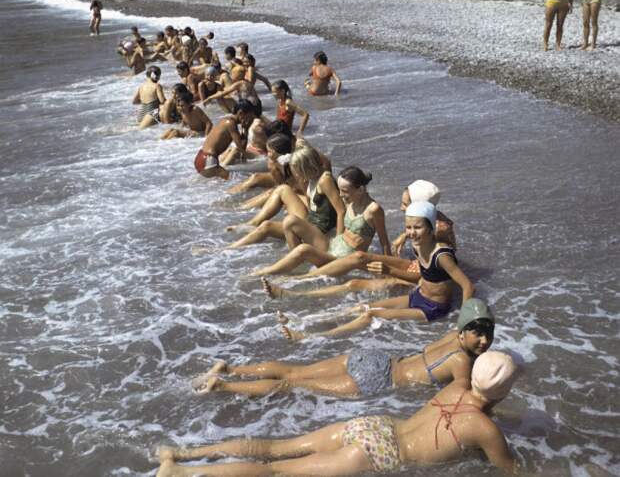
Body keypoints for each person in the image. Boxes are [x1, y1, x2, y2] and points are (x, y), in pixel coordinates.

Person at [156, 351, 520, 476]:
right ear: (506, 391)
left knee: (274, 449)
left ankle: (184, 454)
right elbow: (513, 473)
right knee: (275, 472)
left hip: (375, 424)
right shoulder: (485, 429)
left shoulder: (454, 386)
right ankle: (180, 473)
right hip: (382, 454)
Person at [191, 298, 494, 398]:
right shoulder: (462, 362)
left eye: (488, 335)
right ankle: (224, 385)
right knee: (290, 386)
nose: (483, 341)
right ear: (464, 333)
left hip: (373, 357)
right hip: (377, 379)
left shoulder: (451, 336)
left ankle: (229, 368)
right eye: (478, 334)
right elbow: (463, 399)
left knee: (295, 372)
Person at [277, 200, 474, 340]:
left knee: (371, 315)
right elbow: (427, 277)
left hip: (432, 308)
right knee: (364, 307)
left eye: (418, 228)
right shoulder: (418, 246)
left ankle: (308, 336)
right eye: (408, 227)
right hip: (418, 296)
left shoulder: (442, 255)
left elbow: (467, 286)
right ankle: (301, 321)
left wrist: (462, 323)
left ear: (431, 228)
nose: (412, 233)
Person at [250, 166, 390, 277]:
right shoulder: (350, 202)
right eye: (339, 190)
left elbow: (384, 242)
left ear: (360, 190)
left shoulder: (374, 210)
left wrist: (389, 271)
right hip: (333, 245)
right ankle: (293, 266)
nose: (340, 195)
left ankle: (266, 273)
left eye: (344, 191)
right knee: (291, 221)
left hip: (343, 260)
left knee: (303, 249)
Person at [222, 143, 344, 251]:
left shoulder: (325, 180)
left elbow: (341, 211)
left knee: (275, 224)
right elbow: (313, 206)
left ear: (306, 167)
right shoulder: (311, 179)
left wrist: (339, 241)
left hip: (320, 231)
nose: (295, 174)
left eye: (296, 170)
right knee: (271, 216)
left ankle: (227, 249)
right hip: (311, 223)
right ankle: (231, 246)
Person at [193, 100, 255, 180]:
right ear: (240, 113)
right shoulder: (231, 124)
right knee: (236, 181)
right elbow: (241, 148)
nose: (249, 120)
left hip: (202, 158)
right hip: (208, 160)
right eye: (248, 116)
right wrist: (245, 129)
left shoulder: (225, 120)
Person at [392, 179, 456, 253]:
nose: (401, 208)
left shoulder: (439, 230)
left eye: (405, 204)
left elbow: (441, 259)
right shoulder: (430, 217)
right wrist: (404, 235)